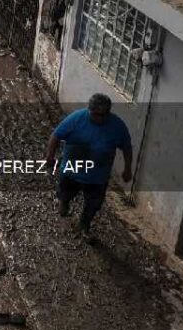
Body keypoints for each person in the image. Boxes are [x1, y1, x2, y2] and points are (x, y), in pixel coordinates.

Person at [44, 93, 133, 243]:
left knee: (93, 204)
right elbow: (56, 136)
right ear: (89, 110)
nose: (99, 118)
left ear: (108, 113)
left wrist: (128, 168)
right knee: (66, 191)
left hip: (98, 175)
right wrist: (49, 157)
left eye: (103, 115)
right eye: (96, 115)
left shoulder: (117, 126)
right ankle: (64, 202)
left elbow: (126, 147)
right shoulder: (76, 119)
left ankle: (84, 225)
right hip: (73, 169)